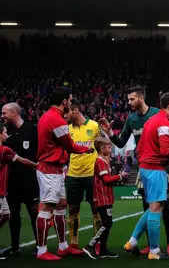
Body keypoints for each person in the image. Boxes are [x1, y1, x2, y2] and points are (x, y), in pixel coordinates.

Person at [100, 86, 169, 256]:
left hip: (160, 164)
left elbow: (168, 143)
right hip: (149, 165)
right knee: (151, 205)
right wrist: (110, 133)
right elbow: (120, 143)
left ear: (141, 98)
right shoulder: (132, 120)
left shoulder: (157, 114)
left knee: (163, 206)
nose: (129, 103)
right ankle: (152, 246)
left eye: (131, 99)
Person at [123, 92, 169, 260]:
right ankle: (155, 251)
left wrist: (144, 164)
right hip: (155, 169)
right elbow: (165, 149)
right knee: (157, 208)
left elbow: (140, 146)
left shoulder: (152, 120)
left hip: (146, 167)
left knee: (153, 206)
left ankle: (132, 242)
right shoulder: (164, 123)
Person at [35, 87, 94, 260]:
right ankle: (41, 250)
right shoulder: (56, 120)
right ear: (64, 101)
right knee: (47, 208)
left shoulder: (50, 117)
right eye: (70, 99)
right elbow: (70, 145)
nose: (71, 102)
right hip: (50, 169)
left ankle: (63, 246)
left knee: (61, 205)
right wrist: (87, 149)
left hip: (56, 169)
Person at [0, 103, 39, 258]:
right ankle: (15, 247)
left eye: (4, 113)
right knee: (13, 215)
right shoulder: (5, 132)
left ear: (14, 113)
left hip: (30, 180)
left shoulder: (31, 130)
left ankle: (39, 246)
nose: (2, 116)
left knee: (34, 213)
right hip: (11, 181)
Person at [82, 137, 129, 259]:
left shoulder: (103, 161)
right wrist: (120, 176)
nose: (110, 148)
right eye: (108, 146)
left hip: (106, 197)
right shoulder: (100, 162)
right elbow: (106, 180)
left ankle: (103, 250)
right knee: (107, 223)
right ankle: (90, 246)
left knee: (107, 223)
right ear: (102, 149)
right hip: (102, 197)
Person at [66, 99, 103, 251]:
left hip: (91, 175)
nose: (66, 114)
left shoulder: (94, 126)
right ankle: (73, 243)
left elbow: (103, 146)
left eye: (68, 111)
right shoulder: (67, 129)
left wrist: (103, 168)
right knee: (73, 209)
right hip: (73, 174)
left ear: (75, 111)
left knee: (96, 209)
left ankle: (97, 243)